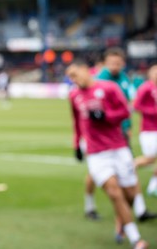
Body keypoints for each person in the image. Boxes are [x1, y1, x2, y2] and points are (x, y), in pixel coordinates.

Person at [67, 60, 148, 249]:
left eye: (75, 75)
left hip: (118, 148)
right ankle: (136, 239)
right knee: (113, 191)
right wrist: (77, 144)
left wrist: (106, 116)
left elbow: (125, 111)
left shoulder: (109, 88)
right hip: (96, 153)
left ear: (87, 71)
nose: (74, 80)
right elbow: (77, 121)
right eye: (70, 77)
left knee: (129, 193)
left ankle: (121, 220)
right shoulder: (74, 95)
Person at [133, 64, 157, 197]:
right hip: (149, 130)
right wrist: (153, 112)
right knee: (150, 159)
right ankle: (131, 166)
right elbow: (136, 106)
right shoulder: (146, 87)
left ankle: (153, 185)